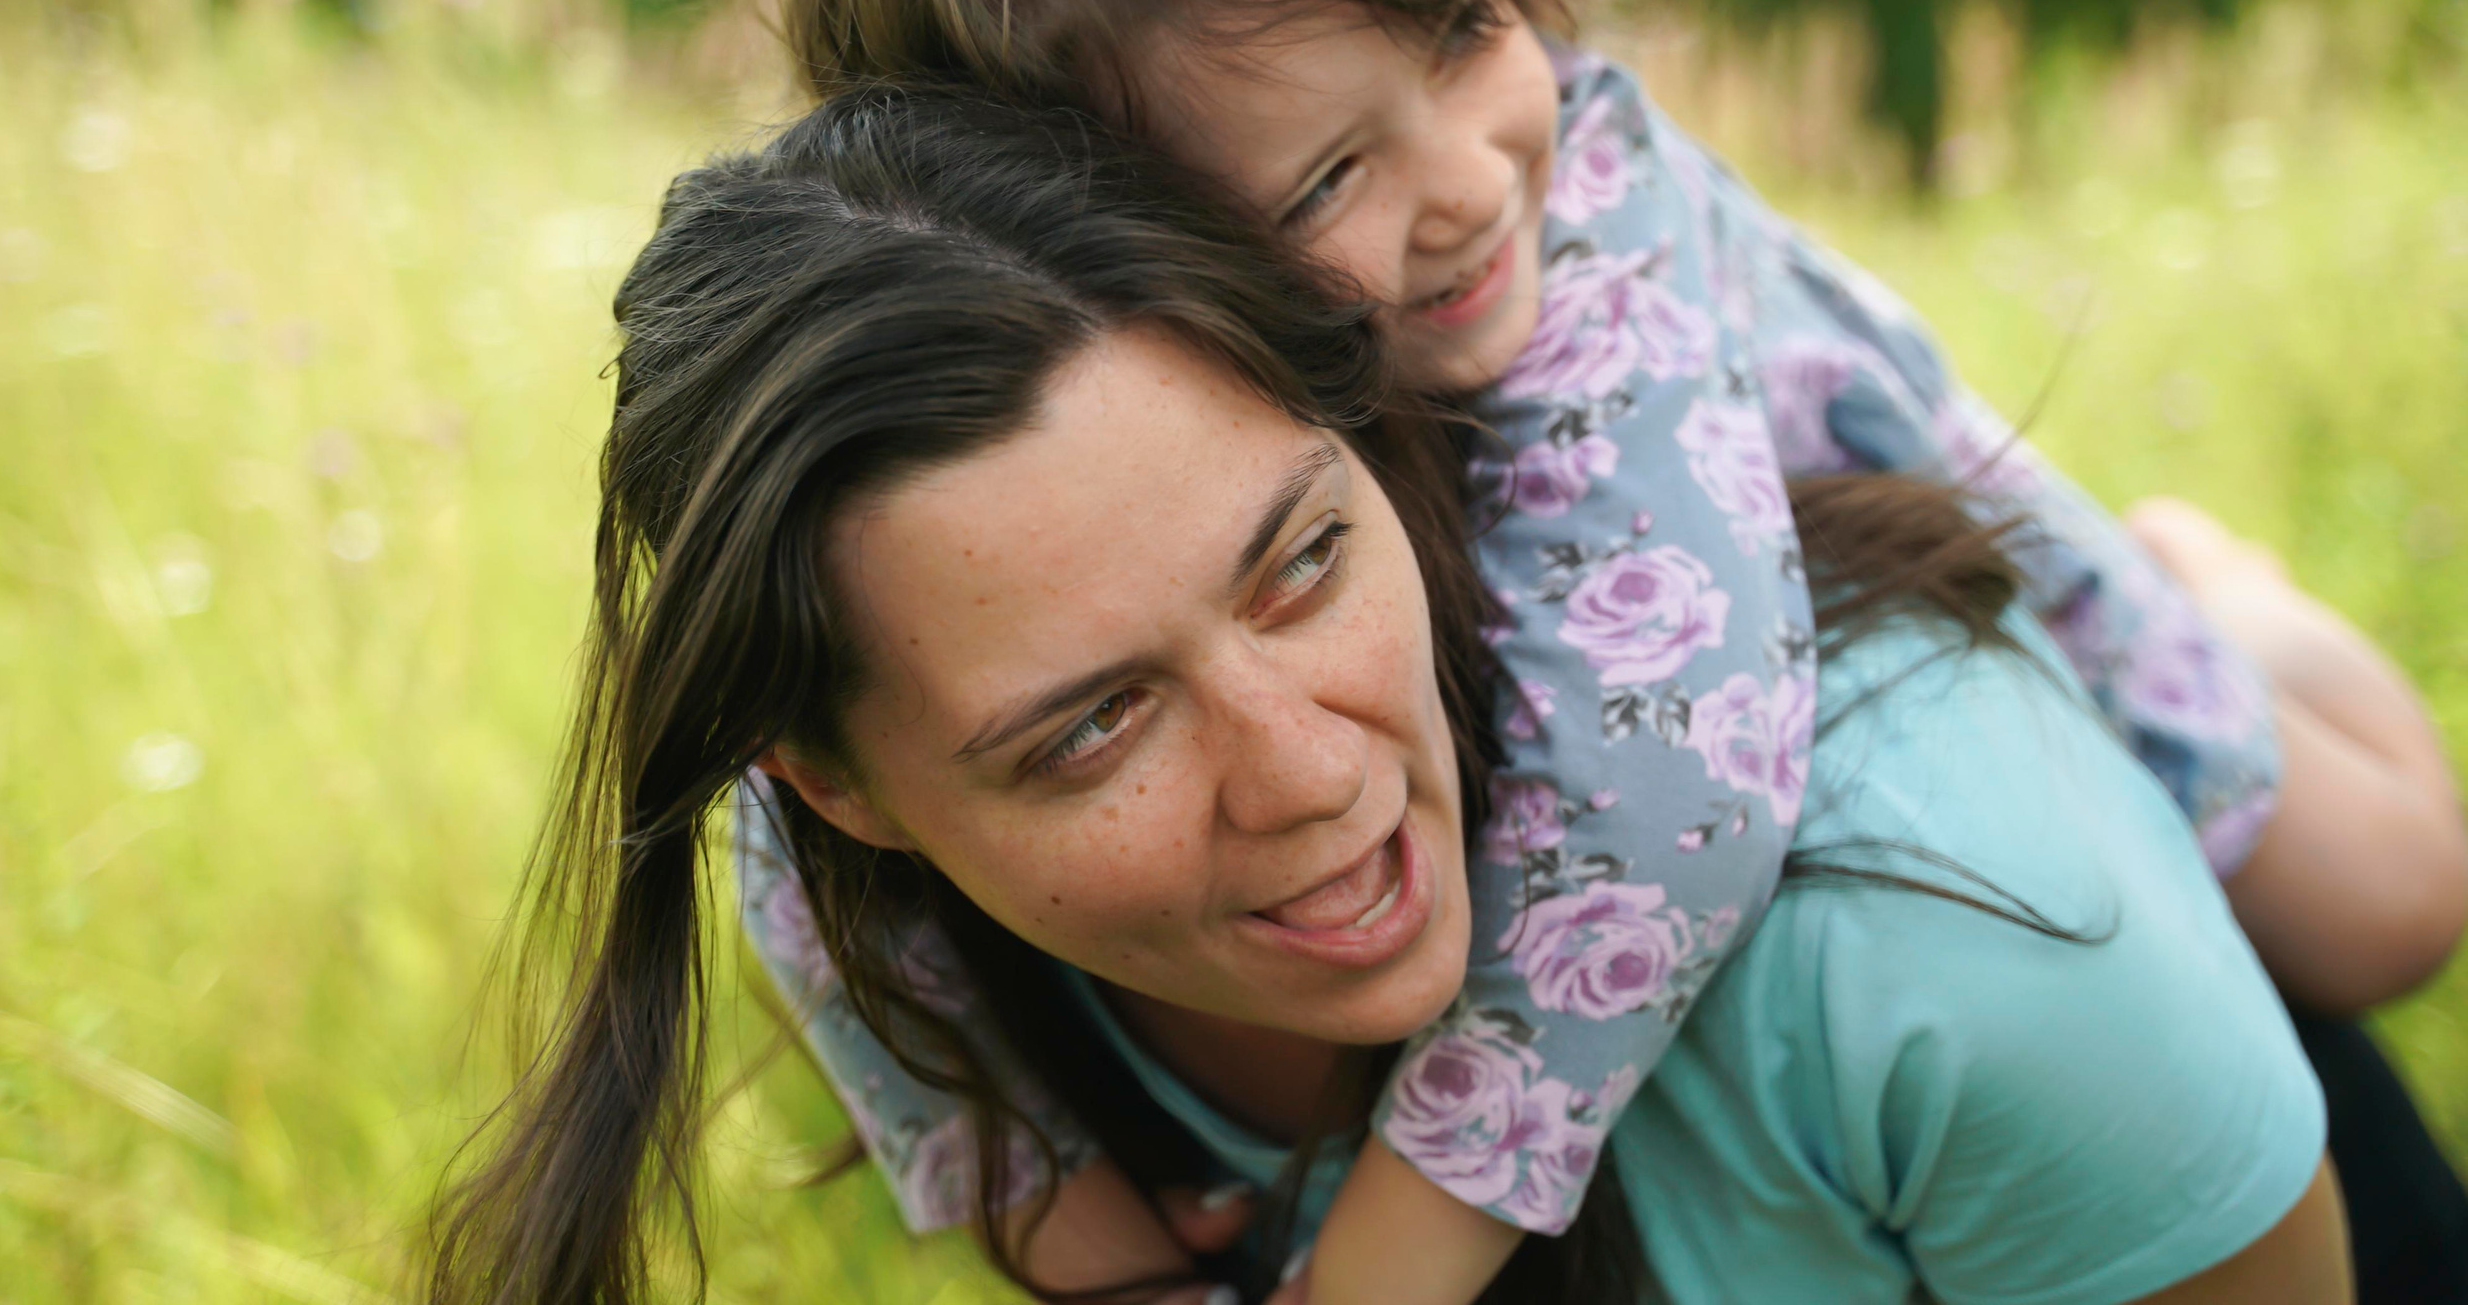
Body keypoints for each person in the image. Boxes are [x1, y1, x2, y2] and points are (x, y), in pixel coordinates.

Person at [744, 0, 2468, 1304]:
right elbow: (808, 880)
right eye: (1329, 172)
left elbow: (1668, 803)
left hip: (2011, 575)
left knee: (2397, 905)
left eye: (1461, 24)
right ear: (1116, 248)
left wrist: (1382, 1267)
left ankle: (2241, 600)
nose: (1470, 177)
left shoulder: (1595, 258)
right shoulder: (986, 542)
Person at [425, 86, 2384, 1305]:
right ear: (840, 793)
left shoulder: (1956, 920)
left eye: (1299, 562)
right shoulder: (899, 945)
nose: (1300, 780)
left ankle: (2232, 592)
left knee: (2377, 846)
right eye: (1089, 726)